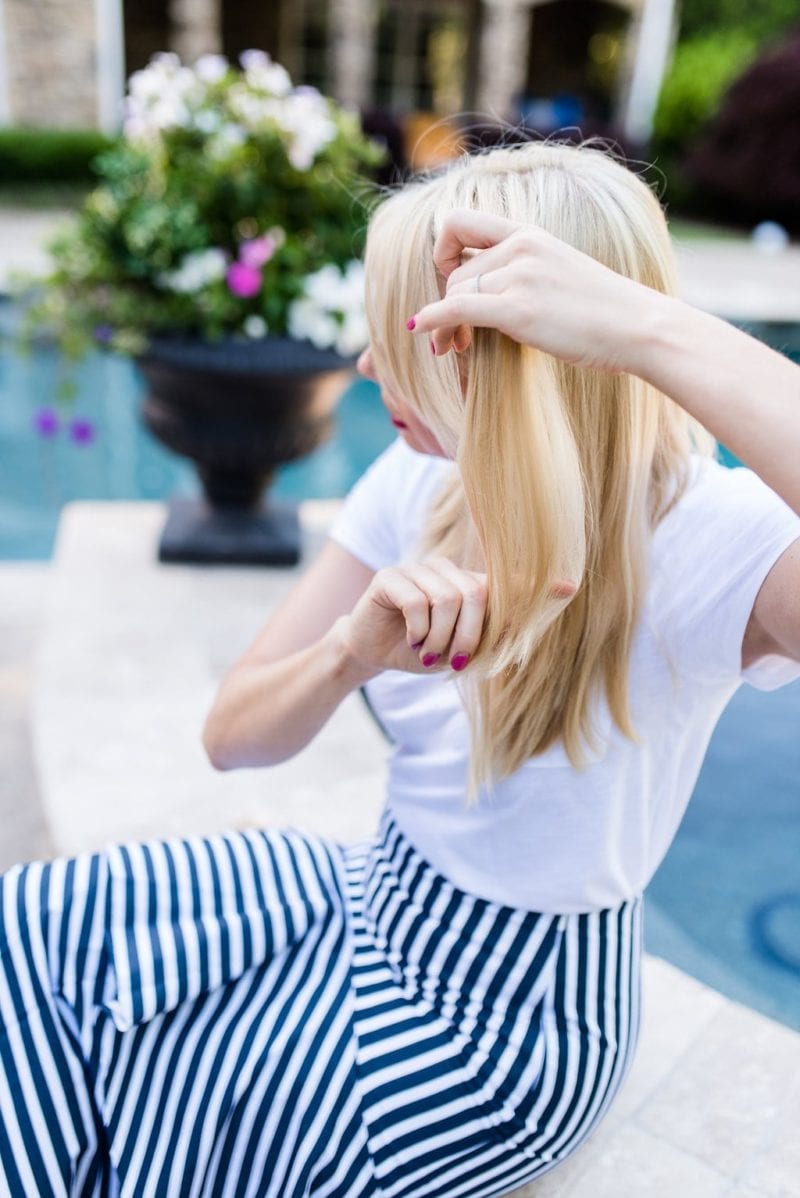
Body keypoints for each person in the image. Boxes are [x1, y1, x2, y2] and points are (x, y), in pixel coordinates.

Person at [2, 141, 799, 1198]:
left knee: (214, 1118)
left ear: (505, 353)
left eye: (402, 336)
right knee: (37, 929)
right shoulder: (421, 474)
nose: (369, 367)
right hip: (374, 900)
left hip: (504, 1024)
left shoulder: (702, 539)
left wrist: (644, 329)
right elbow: (230, 736)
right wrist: (348, 653)